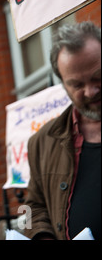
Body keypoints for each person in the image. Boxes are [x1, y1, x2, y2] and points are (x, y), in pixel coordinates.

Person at [25, 21, 101, 240]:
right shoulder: (42, 142)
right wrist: (40, 236)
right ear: (63, 85)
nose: (90, 91)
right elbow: (30, 209)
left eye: (97, 76)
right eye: (77, 85)